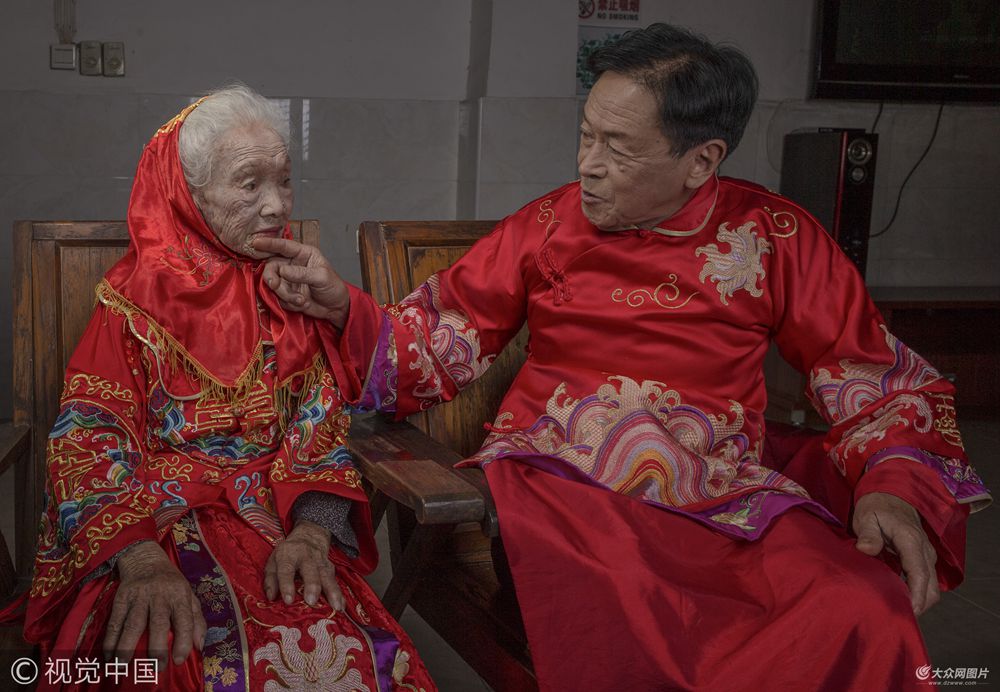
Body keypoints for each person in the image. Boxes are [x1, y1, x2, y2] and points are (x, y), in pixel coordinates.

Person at [256, 25, 991, 691]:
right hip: (565, 488)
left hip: (724, 491)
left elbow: (876, 378)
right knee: (642, 625)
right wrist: (342, 306)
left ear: (701, 160)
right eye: (586, 136)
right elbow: (438, 341)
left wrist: (893, 483)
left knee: (861, 605)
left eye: (618, 148)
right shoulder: (549, 226)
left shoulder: (775, 237)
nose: (588, 166)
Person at [17, 85, 434, 691]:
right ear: (191, 194)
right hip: (152, 521)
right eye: (249, 184)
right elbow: (88, 438)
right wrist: (140, 558)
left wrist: (312, 532)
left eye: (284, 181)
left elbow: (319, 431)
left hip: (273, 516)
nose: (276, 206)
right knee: (157, 654)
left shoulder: (292, 291)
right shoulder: (131, 303)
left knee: (336, 646)